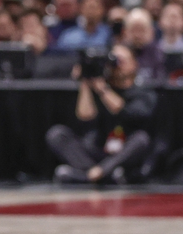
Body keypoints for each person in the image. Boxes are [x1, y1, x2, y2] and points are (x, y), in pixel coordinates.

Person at [46, 45, 157, 184]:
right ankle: (103, 174)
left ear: (135, 64)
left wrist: (103, 90)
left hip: (123, 152)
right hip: (98, 150)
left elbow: (128, 112)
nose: (117, 65)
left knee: (141, 139)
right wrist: (86, 82)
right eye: (114, 61)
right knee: (57, 134)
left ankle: (90, 174)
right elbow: (85, 117)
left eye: (122, 61)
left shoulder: (142, 91)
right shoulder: (99, 86)